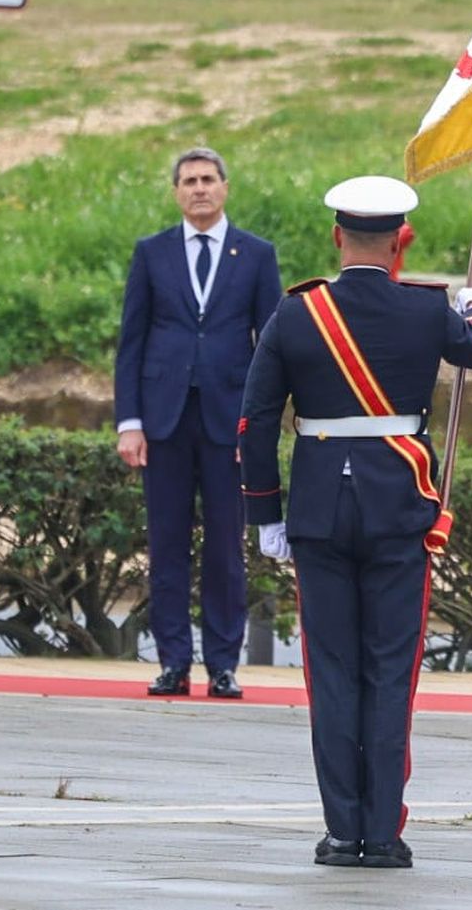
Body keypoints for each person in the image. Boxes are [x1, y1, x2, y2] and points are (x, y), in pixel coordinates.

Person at [240, 175, 472, 870]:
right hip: (398, 503)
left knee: (333, 671)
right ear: (400, 241)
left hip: (319, 506)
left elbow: (256, 418)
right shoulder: (425, 308)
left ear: (336, 236)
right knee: (390, 671)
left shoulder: (298, 312)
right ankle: (382, 831)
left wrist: (264, 509)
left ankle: (341, 830)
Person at [114, 147, 282, 699]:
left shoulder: (256, 255)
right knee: (165, 546)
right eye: (188, 181)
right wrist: (129, 422)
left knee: (226, 549)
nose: (199, 189)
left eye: (208, 179)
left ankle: (223, 665)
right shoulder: (151, 253)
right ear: (176, 192)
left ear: (225, 187)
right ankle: (172, 663)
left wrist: (257, 429)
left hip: (227, 424)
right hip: (163, 423)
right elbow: (132, 342)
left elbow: (272, 347)